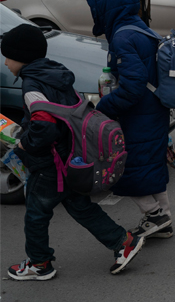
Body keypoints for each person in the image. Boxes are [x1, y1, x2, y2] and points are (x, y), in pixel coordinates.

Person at [2, 24, 145, 280]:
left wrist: (26, 143)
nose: (5, 62)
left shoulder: (32, 85)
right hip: (70, 157)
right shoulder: (55, 72)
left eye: (7, 56)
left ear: (21, 57)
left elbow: (45, 127)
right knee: (80, 207)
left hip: (49, 165)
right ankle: (123, 242)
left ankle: (39, 263)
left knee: (36, 214)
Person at [85, 0, 174, 241]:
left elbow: (133, 86)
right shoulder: (139, 28)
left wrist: (104, 107)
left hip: (138, 114)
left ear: (108, 7)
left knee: (126, 167)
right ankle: (163, 218)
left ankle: (155, 215)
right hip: (153, 109)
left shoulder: (123, 36)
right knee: (150, 164)